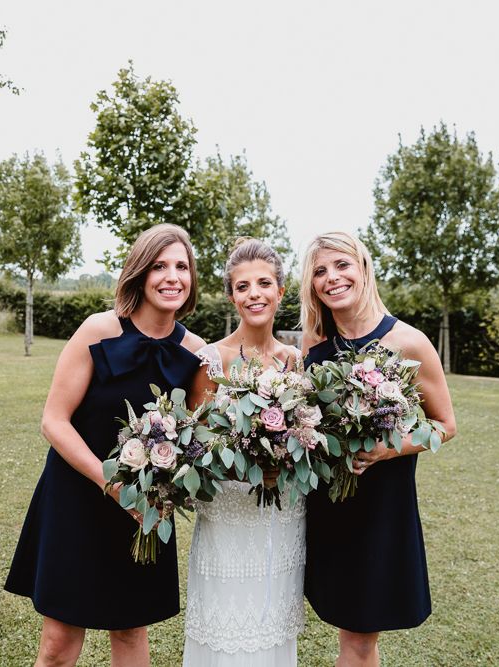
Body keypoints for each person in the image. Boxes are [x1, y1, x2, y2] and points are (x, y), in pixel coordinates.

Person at [4, 224, 205, 667]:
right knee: (58, 642)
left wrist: (163, 490)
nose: (172, 277)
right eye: (159, 266)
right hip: (76, 494)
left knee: (131, 630)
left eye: (181, 267)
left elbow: (196, 441)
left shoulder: (197, 352)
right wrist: (112, 485)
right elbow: (53, 421)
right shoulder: (99, 329)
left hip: (143, 510)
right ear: (139, 272)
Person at [300, 231, 457, 667]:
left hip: (381, 508)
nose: (332, 278)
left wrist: (391, 449)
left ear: (364, 267)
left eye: (342, 265)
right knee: (343, 623)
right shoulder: (314, 348)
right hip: (329, 504)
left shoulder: (408, 342)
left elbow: (445, 426)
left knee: (360, 636)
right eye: (320, 272)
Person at [183, 238, 305, 667]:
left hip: (282, 515)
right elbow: (194, 446)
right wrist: (249, 464)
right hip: (228, 517)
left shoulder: (295, 360)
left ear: (280, 291)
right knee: (226, 629)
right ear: (231, 296)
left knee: (270, 626)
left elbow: (305, 435)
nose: (254, 293)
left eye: (264, 283)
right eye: (243, 286)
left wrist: (285, 459)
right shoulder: (211, 361)